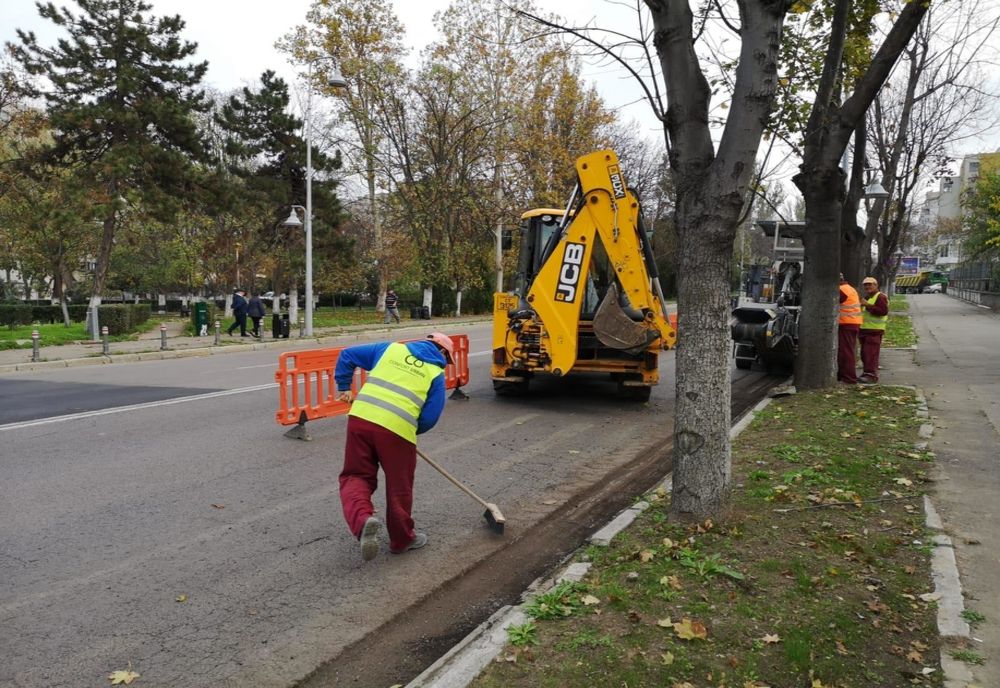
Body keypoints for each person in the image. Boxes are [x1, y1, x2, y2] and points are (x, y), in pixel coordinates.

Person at [334, 332, 455, 561]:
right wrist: (406, 429)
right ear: (442, 352)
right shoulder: (435, 374)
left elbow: (347, 354)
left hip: (360, 419)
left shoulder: (390, 349)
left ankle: (362, 521)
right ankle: (402, 540)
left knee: (355, 475)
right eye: (446, 360)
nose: (445, 365)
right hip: (397, 431)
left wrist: (344, 386)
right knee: (399, 485)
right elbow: (430, 417)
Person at [859, 276, 889, 383]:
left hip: (874, 331)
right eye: (865, 285)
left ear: (876, 285)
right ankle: (867, 373)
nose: (867, 287)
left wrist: (868, 305)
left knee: (870, 354)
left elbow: (883, 311)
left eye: (870, 284)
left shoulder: (880, 297)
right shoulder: (868, 297)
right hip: (865, 330)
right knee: (865, 354)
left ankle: (871, 376)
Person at [838, 273, 863, 384]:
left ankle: (849, 377)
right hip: (851, 323)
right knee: (846, 350)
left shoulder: (841, 290)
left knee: (846, 351)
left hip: (846, 323)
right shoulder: (849, 288)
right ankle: (843, 375)